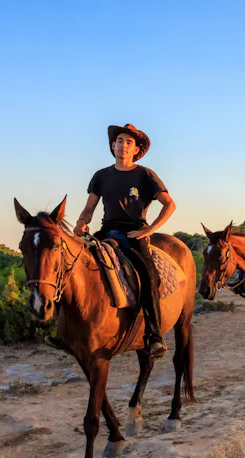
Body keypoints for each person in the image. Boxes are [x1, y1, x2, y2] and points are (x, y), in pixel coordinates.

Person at [73, 124, 176, 358]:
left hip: (134, 234)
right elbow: (89, 208)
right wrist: (81, 221)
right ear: (112, 146)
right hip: (107, 232)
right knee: (72, 262)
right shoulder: (101, 176)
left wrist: (150, 229)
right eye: (119, 141)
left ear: (136, 149)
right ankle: (63, 329)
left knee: (148, 275)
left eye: (128, 142)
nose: (123, 145)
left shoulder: (145, 175)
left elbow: (170, 204)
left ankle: (154, 335)